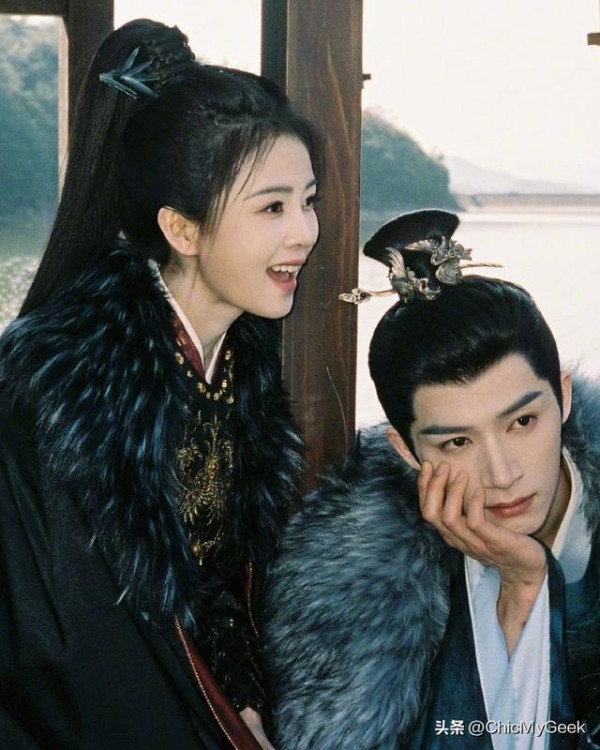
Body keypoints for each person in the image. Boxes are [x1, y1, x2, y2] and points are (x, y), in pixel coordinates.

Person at [0, 18, 322, 750]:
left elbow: (220, 585)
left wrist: (241, 693)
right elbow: (62, 645)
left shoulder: (237, 361)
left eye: (308, 200)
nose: (305, 232)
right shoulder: (67, 394)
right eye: (272, 207)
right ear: (182, 229)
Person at [264, 209, 600, 749]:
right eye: (457, 443)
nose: (503, 474)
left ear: (561, 397)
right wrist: (523, 589)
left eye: (522, 422)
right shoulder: (360, 592)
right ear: (406, 450)